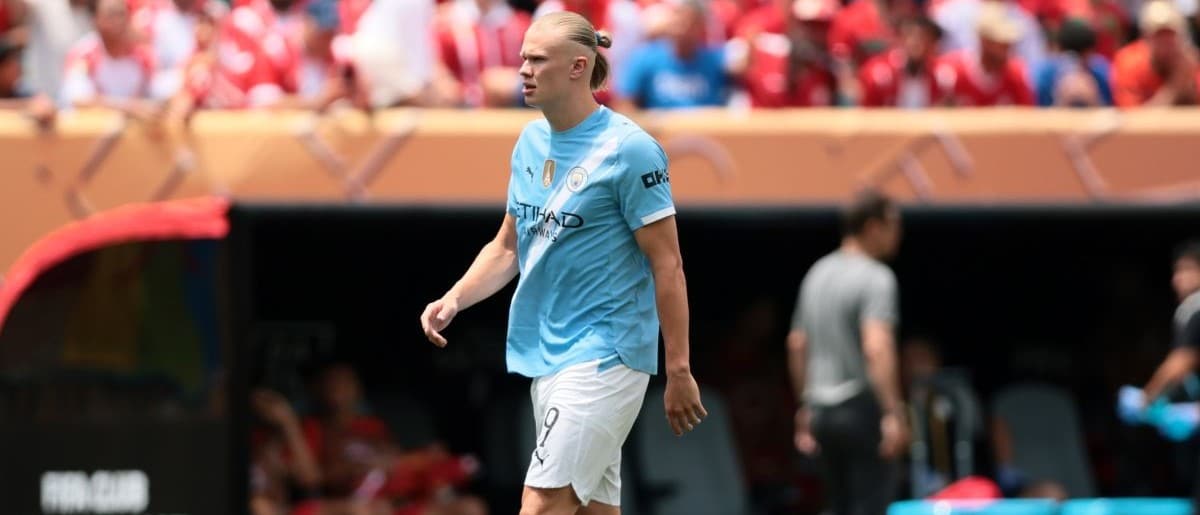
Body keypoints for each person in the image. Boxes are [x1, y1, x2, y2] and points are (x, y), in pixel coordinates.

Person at [419, 11, 706, 515]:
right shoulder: (529, 142)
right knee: (593, 509)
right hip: (546, 357)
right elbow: (508, 246)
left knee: (542, 504)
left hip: (604, 356)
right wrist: (455, 299)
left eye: (536, 60)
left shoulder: (629, 149)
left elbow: (669, 265)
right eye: (522, 58)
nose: (523, 71)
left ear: (578, 67)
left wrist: (678, 369)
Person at [787, 188, 909, 515]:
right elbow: (876, 346)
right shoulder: (876, 277)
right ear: (872, 227)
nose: (899, 235)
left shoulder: (817, 273)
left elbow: (797, 344)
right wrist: (892, 412)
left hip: (823, 413)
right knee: (870, 504)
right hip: (860, 409)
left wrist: (805, 406)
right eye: (893, 226)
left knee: (837, 504)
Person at [1138, 240, 1200, 510]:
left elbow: (1182, 360)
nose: (1178, 278)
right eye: (1176, 271)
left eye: (1187, 270)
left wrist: (1148, 395)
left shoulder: (1195, 307)